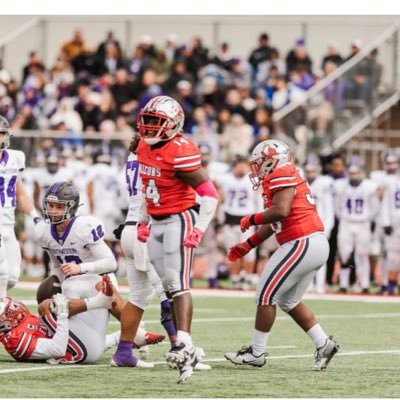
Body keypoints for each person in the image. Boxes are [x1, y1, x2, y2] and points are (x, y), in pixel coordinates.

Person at [224, 139, 339, 371]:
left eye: (261, 163)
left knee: (265, 296)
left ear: (273, 161)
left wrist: (252, 218)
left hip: (301, 241)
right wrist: (248, 245)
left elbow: (280, 210)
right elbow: (277, 219)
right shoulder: (284, 175)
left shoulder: (281, 173)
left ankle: (256, 353)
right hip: (310, 242)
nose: (257, 169)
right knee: (289, 300)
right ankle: (324, 344)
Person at [134, 95, 219, 383]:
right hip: (156, 222)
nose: (147, 127)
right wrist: (143, 221)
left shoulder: (180, 151)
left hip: (178, 220)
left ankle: (184, 342)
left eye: (155, 122)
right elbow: (148, 187)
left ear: (173, 125)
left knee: (178, 284)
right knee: (168, 287)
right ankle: (188, 345)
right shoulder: (144, 147)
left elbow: (210, 194)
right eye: (147, 120)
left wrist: (199, 229)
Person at [0, 275, 117, 364]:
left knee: (118, 336)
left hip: (89, 344)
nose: (15, 308)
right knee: (46, 307)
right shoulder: (16, 341)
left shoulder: (19, 325)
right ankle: (99, 301)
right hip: (81, 353)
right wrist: (62, 314)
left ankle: (132, 335)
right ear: (4, 324)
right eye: (9, 311)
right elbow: (58, 349)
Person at [0, 115, 40, 293]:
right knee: (1, 272)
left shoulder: (15, 158)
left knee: (12, 277)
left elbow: (21, 193)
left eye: (1, 133)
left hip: (8, 224)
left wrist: (36, 218)